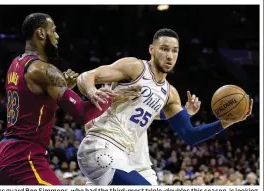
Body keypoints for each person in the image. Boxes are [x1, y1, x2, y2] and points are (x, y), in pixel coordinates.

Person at [76, 28, 253, 185]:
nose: (170, 55)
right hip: (101, 145)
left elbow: (189, 135)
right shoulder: (135, 68)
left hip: (124, 155)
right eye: (164, 49)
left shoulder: (170, 94)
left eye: (174, 51)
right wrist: (92, 91)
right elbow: (86, 76)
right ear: (151, 50)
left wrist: (225, 123)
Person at [0, 13, 138, 185]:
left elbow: (32, 105)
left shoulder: (16, 63)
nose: (57, 36)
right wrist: (113, 97)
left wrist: (63, 89)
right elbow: (82, 114)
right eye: (53, 31)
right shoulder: (45, 70)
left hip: (4, 152)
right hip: (24, 156)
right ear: (40, 33)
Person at [84, 91, 201, 185]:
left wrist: (186, 112)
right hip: (109, 169)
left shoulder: (135, 108)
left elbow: (164, 114)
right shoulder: (95, 119)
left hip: (140, 170)